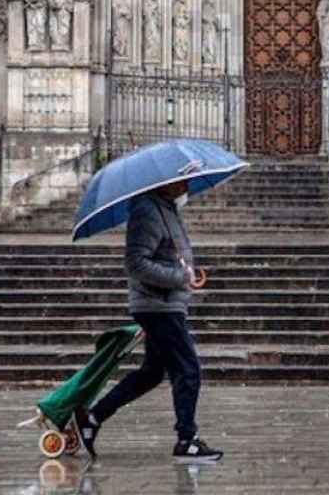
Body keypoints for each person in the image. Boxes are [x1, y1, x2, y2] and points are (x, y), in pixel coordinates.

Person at [74, 179, 223, 464]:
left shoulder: (165, 209)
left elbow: (166, 256)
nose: (187, 187)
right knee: (188, 369)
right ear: (165, 184)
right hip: (158, 306)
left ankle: (92, 418)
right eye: (182, 181)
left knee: (152, 373)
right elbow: (136, 263)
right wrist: (181, 278)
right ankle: (186, 440)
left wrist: (186, 274)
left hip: (166, 304)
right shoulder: (147, 211)